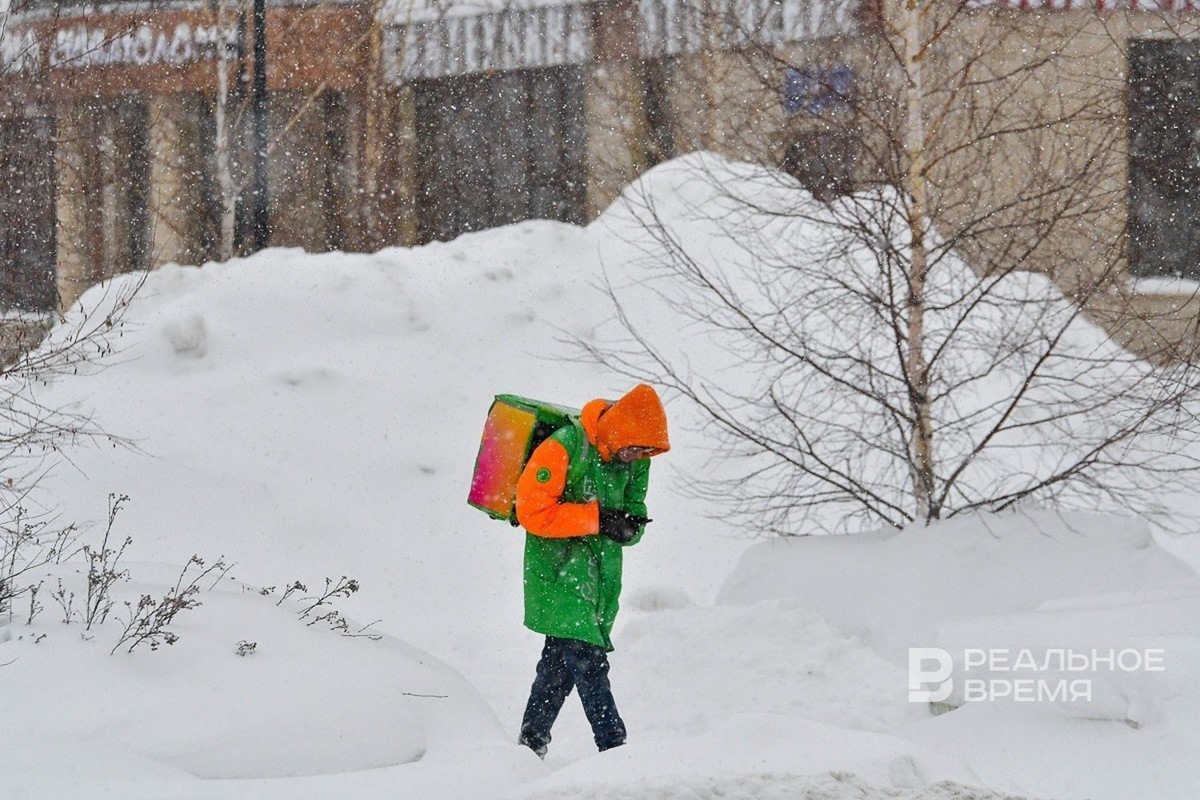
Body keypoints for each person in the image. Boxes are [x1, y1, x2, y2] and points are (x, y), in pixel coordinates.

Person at [514, 383, 670, 758]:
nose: (637, 457)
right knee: (589, 661)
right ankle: (615, 749)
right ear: (618, 431)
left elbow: (633, 513)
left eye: (645, 451)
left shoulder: (636, 460)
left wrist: (629, 527)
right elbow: (531, 511)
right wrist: (598, 519)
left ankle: (530, 746)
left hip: (600, 576)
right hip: (557, 572)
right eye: (634, 447)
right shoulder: (565, 446)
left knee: (557, 665)